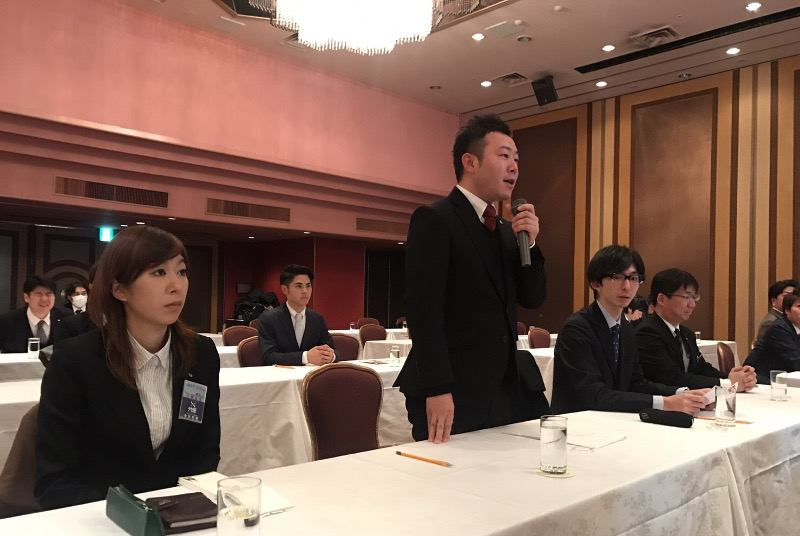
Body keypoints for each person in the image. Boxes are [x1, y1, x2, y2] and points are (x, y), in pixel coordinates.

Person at [35, 226, 221, 510]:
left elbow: (204, 451)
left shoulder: (201, 353)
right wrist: (134, 516)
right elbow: (55, 481)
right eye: (159, 272)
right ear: (119, 289)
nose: (176, 285)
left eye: (181, 271)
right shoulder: (76, 361)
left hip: (179, 514)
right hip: (102, 516)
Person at [395, 113, 547, 443]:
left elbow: (532, 298)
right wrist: (437, 388)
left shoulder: (506, 230)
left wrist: (531, 245)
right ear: (470, 162)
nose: (514, 167)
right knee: (447, 474)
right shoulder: (435, 219)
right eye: (504, 155)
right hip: (450, 388)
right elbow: (423, 311)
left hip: (501, 388)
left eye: (516, 159)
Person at [551, 245, 709, 415]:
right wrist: (665, 403)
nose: (627, 286)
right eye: (617, 277)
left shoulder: (626, 329)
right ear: (595, 283)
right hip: (577, 421)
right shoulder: (577, 329)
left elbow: (636, 383)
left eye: (633, 278)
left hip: (613, 419)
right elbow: (594, 395)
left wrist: (683, 394)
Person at [635, 268, 756, 391]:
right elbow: (670, 377)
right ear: (662, 299)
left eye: (694, 297)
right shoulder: (647, 332)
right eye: (686, 297)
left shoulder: (686, 333)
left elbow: (701, 368)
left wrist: (733, 377)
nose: (692, 304)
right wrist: (726, 383)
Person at [258, 264, 339, 366]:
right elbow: (268, 357)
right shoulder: (268, 319)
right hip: (281, 374)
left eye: (308, 286)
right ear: (284, 289)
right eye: (298, 286)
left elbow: (334, 350)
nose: (305, 291)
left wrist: (331, 356)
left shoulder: (317, 318)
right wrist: (305, 357)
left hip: (312, 373)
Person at [744, 291, 800, 384]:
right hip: (759, 379)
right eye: (799, 306)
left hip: (785, 378)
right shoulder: (779, 328)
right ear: (787, 310)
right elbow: (794, 362)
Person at [0, 275, 64, 353]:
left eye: (49, 294)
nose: (44, 299)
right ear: (26, 297)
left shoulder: (66, 318)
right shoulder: (6, 321)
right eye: (39, 294)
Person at [52, 265, 99, 343]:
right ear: (69, 297)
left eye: (83, 293)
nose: (81, 296)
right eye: (77, 294)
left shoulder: (93, 311)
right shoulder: (62, 312)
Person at [754, 279, 798, 344]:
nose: (791, 299)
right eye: (786, 295)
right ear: (773, 301)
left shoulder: (793, 319)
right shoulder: (770, 322)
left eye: (794, 295)